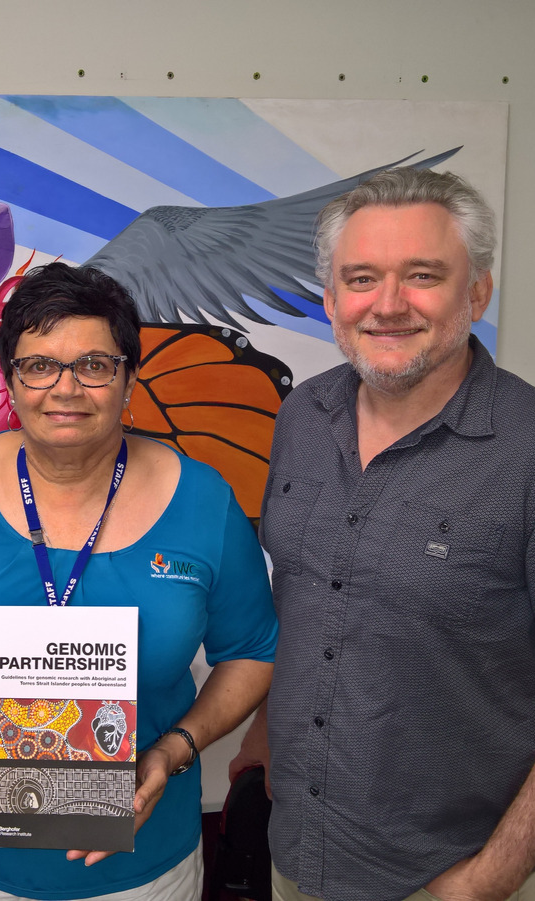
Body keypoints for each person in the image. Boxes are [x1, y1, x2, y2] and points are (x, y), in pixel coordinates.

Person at [0, 261, 278, 901]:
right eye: (39, 365)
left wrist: (174, 750)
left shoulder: (203, 500)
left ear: (127, 378)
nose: (66, 388)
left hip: (144, 867)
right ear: (10, 379)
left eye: (94, 365)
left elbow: (251, 651)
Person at [229, 167, 535, 901]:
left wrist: (485, 880)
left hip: (449, 872)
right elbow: (307, 596)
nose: (388, 305)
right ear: (332, 300)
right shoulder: (301, 415)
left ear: (476, 293)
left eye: (422, 275)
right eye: (361, 278)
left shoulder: (525, 449)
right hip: (298, 849)